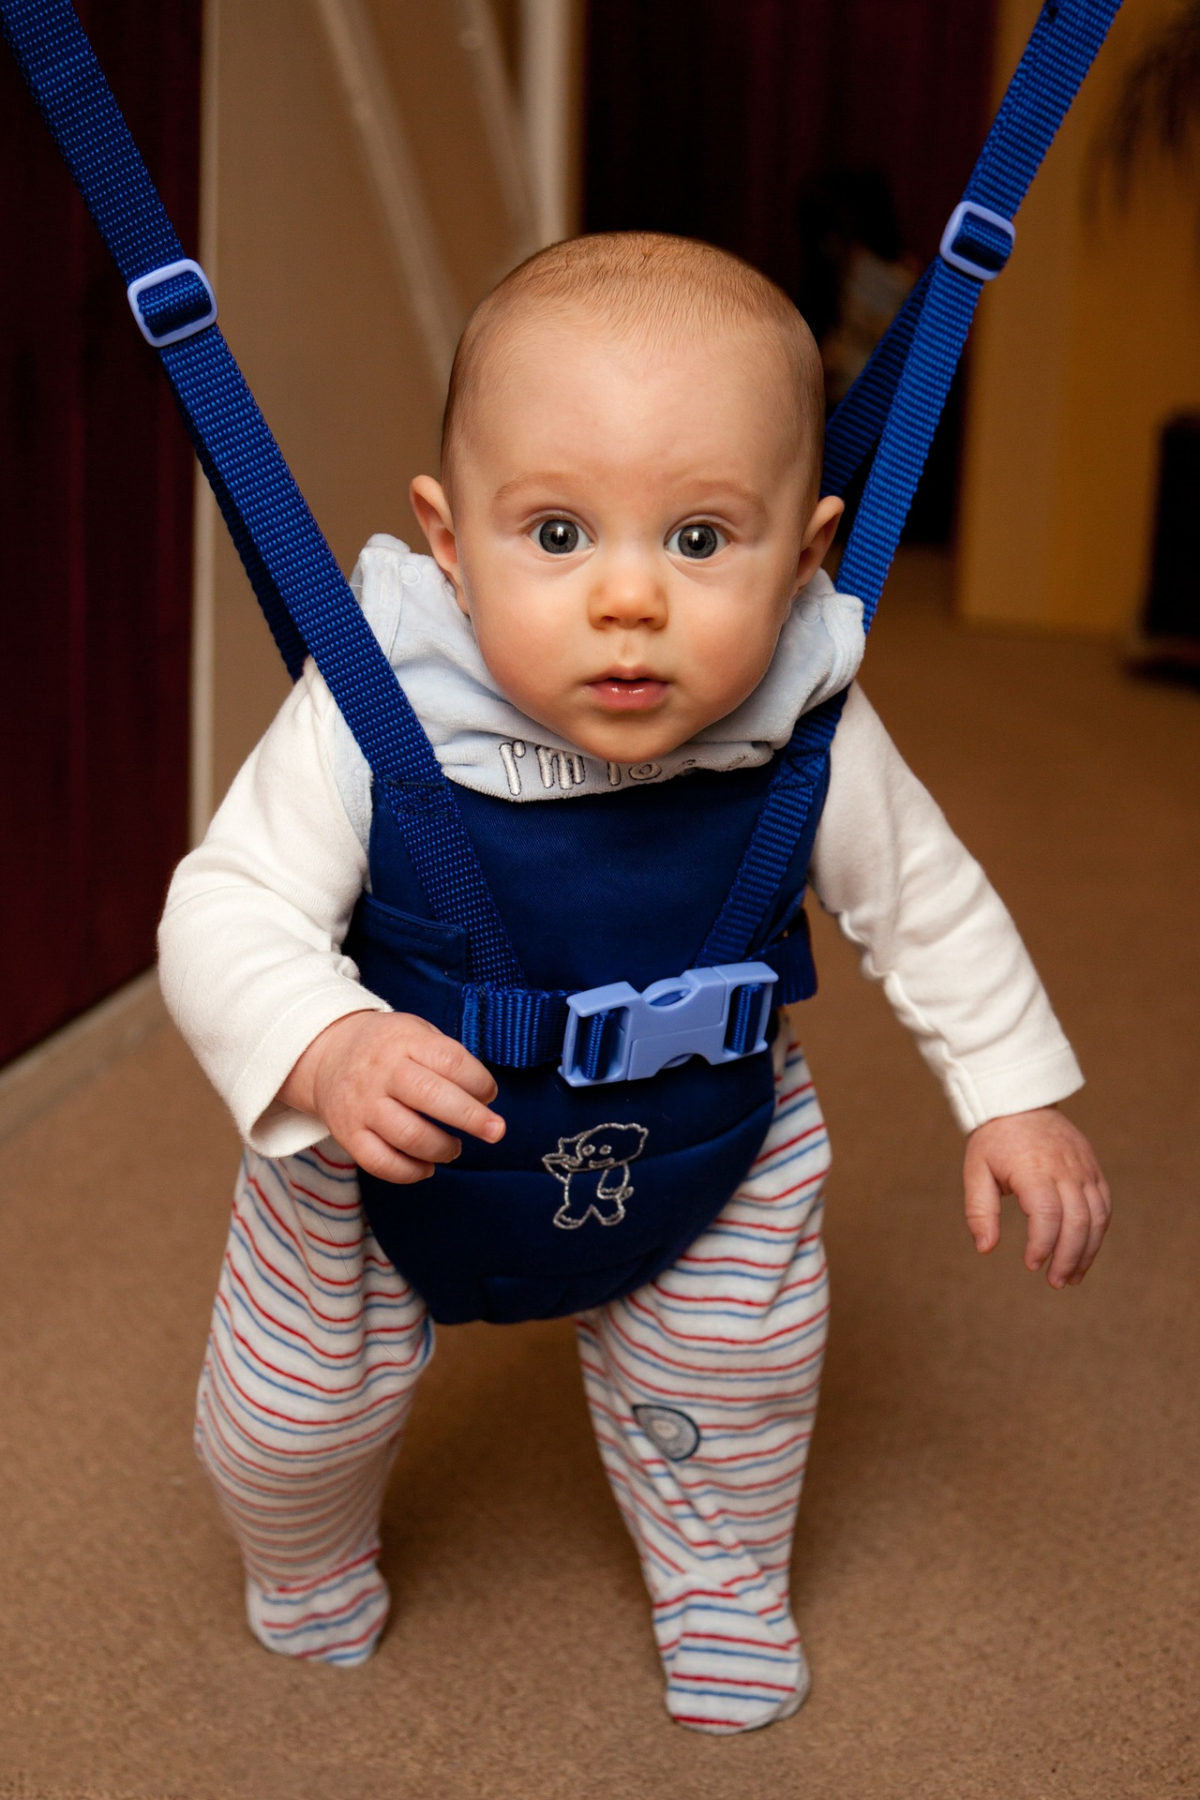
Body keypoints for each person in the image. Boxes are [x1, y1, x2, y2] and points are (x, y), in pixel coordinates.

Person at [158, 232, 1110, 1735]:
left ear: (805, 559)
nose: (625, 600)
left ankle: (722, 1580)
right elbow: (227, 906)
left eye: (697, 540)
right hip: (374, 1151)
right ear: (450, 540)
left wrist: (1017, 1096)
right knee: (286, 1421)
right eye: (554, 534)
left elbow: (929, 904)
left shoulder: (806, 729)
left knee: (736, 1393)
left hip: (702, 1143)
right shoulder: (369, 710)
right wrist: (324, 1044)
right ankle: (306, 1553)